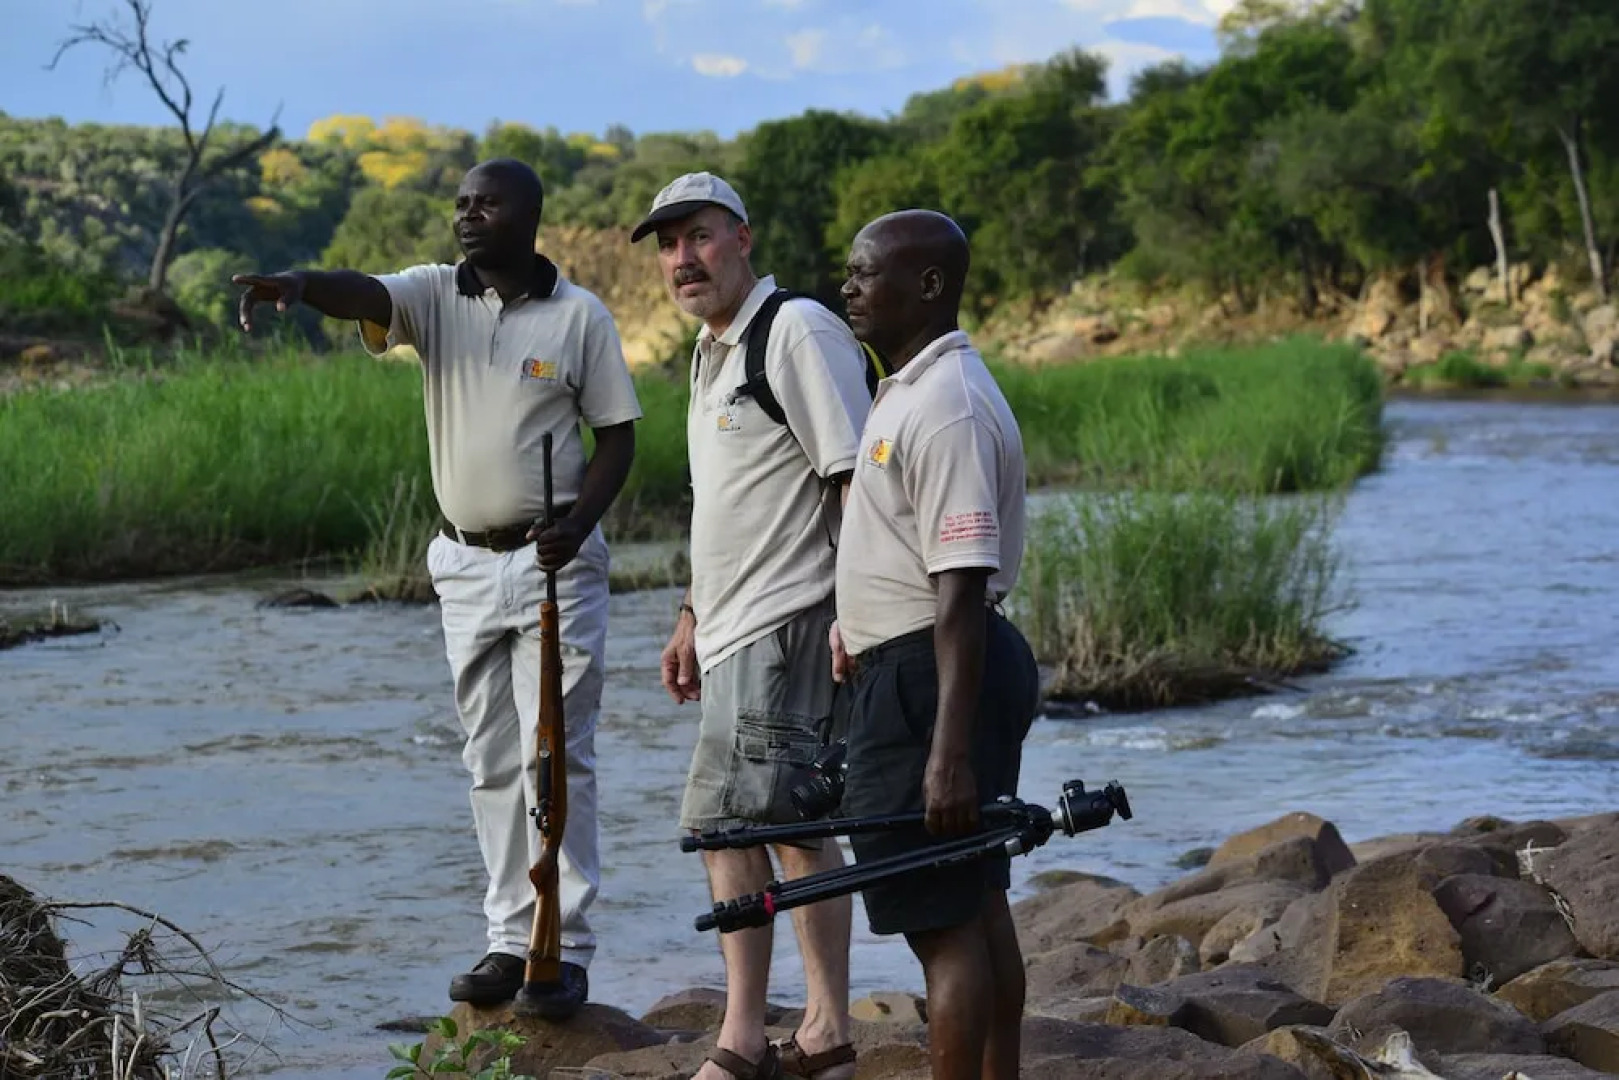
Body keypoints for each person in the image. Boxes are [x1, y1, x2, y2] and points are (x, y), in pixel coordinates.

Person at [232, 159, 642, 1020]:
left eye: (484, 203)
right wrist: (302, 285)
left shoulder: (580, 317)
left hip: (551, 562)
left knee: (556, 750)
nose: (466, 215)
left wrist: (578, 522)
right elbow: (366, 295)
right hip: (460, 563)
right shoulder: (433, 296)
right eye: (459, 203)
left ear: (528, 215)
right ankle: (507, 939)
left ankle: (561, 948)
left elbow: (617, 437)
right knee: (490, 756)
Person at [630, 172, 867, 1080]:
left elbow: (852, 476)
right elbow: (725, 502)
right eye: (666, 244)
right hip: (728, 630)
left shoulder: (794, 329)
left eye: (697, 237)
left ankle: (816, 1030)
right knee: (731, 829)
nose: (681, 259)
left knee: (786, 824)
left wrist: (855, 612)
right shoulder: (709, 350)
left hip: (792, 620)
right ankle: (757, 1032)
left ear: (742, 238)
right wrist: (691, 613)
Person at [829, 210, 1039, 1080]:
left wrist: (946, 753)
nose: (847, 286)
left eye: (865, 272)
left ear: (927, 286)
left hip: (932, 674)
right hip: (916, 663)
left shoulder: (947, 404)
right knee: (977, 897)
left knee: (943, 926)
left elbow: (958, 581)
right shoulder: (910, 387)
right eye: (847, 270)